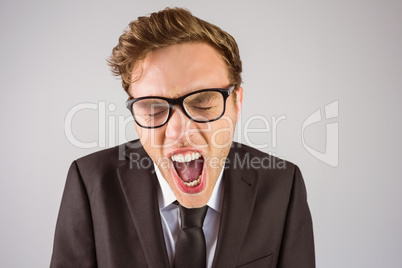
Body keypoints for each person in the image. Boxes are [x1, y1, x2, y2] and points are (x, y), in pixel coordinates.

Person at [50, 7, 315, 268]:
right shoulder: (89, 182)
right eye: (153, 107)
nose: (180, 132)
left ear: (237, 103)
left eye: (202, 102)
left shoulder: (284, 186)